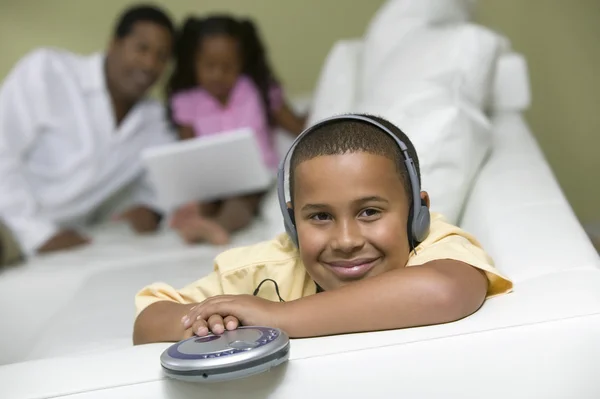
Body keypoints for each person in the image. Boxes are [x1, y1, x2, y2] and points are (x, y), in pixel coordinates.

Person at [132, 114, 513, 344]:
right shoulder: (268, 266)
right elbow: (148, 319)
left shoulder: (434, 245)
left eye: (369, 212)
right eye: (319, 217)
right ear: (292, 225)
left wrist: (276, 317)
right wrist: (210, 320)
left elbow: (443, 291)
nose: (346, 241)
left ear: (418, 212)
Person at [0, 4, 176, 266]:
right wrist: (38, 235)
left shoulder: (156, 121)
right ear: (114, 44)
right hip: (8, 224)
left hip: (65, 244)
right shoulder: (48, 72)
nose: (150, 64)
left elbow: (163, 182)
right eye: (142, 48)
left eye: (162, 56)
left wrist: (149, 209)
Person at [165, 15, 307, 246]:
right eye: (209, 66)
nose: (218, 75)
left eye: (227, 67)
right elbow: (188, 154)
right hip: (210, 181)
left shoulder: (258, 89)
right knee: (202, 202)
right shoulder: (187, 101)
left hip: (255, 179)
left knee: (240, 202)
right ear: (194, 63)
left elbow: (299, 127)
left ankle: (218, 227)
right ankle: (195, 220)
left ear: (241, 63)